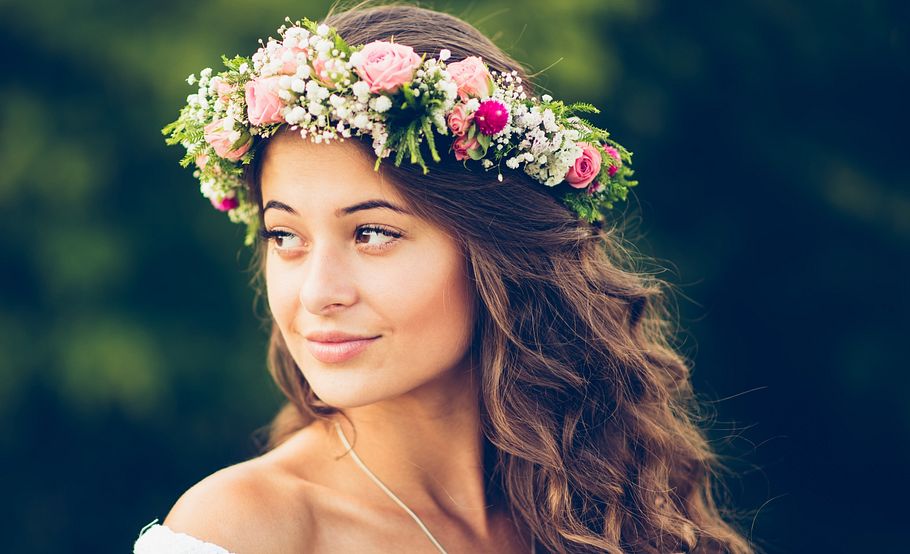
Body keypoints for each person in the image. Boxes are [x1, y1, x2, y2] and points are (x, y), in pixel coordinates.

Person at [135, 3, 755, 553]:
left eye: (372, 233)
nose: (318, 294)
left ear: (494, 251)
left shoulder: (606, 511)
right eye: (285, 236)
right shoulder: (242, 530)